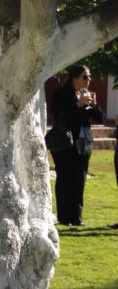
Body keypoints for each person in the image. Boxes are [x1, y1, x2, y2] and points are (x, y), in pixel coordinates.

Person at [49, 64, 104, 226]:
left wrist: (93, 105)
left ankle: (76, 217)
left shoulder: (86, 94)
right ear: (74, 78)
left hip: (83, 143)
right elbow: (59, 115)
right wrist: (77, 105)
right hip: (65, 142)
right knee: (65, 178)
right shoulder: (61, 94)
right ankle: (65, 217)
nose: (89, 80)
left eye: (89, 77)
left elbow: (100, 118)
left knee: (79, 179)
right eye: (85, 77)